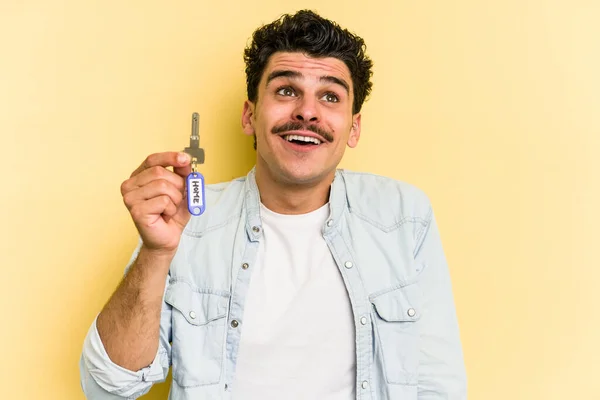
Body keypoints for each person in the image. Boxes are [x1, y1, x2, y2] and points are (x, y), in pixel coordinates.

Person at [79, 9, 467, 400]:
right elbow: (108, 388)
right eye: (285, 90)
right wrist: (156, 251)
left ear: (354, 127)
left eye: (330, 96)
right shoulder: (187, 221)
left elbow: (438, 386)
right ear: (250, 115)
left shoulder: (403, 217)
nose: (307, 111)